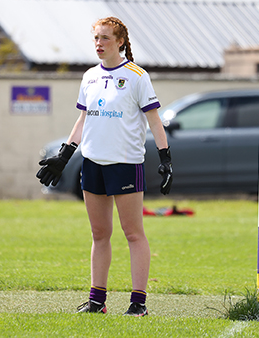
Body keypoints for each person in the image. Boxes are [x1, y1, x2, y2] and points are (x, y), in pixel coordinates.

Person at [36, 17, 173, 316]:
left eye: (106, 38)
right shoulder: (89, 77)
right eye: (96, 38)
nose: (99, 44)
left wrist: (165, 157)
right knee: (99, 233)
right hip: (93, 163)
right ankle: (97, 301)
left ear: (120, 41)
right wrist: (64, 155)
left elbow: (154, 120)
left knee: (133, 233)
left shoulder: (137, 76)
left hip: (125, 164)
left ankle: (138, 304)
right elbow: (83, 120)